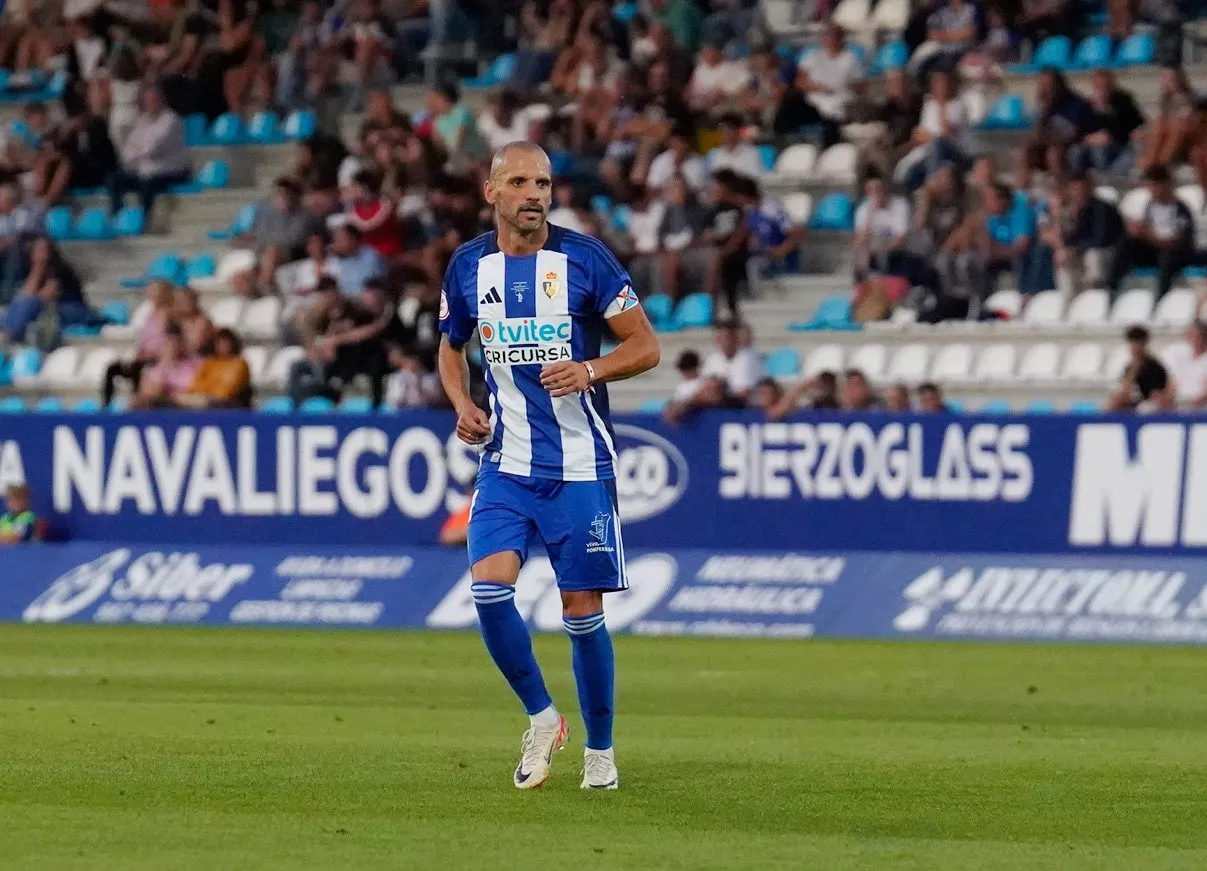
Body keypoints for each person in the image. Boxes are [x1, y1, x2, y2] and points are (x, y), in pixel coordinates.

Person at [437, 141, 660, 792]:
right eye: (520, 182)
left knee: (581, 610)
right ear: (492, 191)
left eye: (543, 182)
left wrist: (590, 368)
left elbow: (645, 344)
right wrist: (460, 401)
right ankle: (541, 717)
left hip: (579, 465)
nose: (534, 193)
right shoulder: (468, 266)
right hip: (504, 463)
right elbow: (450, 350)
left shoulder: (584, 260)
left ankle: (600, 750)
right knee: (488, 591)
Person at [1107, 165, 1194, 301]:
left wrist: (1149, 235)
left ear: (1166, 185)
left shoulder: (1180, 209)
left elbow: (1179, 239)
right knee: (1126, 243)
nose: (1152, 190)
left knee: (1169, 256)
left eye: (1155, 185)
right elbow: (1147, 230)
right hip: (1153, 249)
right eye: (1150, 185)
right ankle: (1112, 288)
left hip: (1174, 253)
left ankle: (1161, 296)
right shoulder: (1150, 206)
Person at [106, 84, 191, 221]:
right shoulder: (142, 121)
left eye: (154, 99)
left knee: (148, 183)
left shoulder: (171, 120)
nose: (151, 103)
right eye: (148, 100)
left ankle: (144, 219)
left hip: (171, 170)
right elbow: (128, 152)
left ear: (162, 99)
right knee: (113, 180)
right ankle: (118, 217)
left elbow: (154, 148)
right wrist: (139, 152)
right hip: (145, 171)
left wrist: (139, 151)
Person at [175, 328, 253, 409]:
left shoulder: (239, 364)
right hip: (204, 398)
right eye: (219, 343)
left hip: (228, 404)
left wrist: (208, 392)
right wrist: (205, 392)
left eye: (225, 343)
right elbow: (196, 385)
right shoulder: (210, 362)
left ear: (233, 344)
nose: (222, 346)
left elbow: (227, 391)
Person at [1106, 324, 1174, 411]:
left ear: (1144, 344)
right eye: (1131, 343)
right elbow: (1125, 391)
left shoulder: (1153, 367)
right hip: (1136, 401)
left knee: (1145, 408)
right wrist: (1133, 371)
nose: (1133, 347)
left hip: (1150, 402)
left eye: (1137, 343)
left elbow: (1157, 394)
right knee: (1113, 402)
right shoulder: (1129, 367)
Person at [1165, 321, 1207, 409]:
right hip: (1180, 403)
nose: (1195, 339)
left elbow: (1205, 393)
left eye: (1198, 336)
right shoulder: (1181, 357)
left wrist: (1193, 403)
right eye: (1191, 335)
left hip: (1200, 405)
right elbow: (1173, 384)